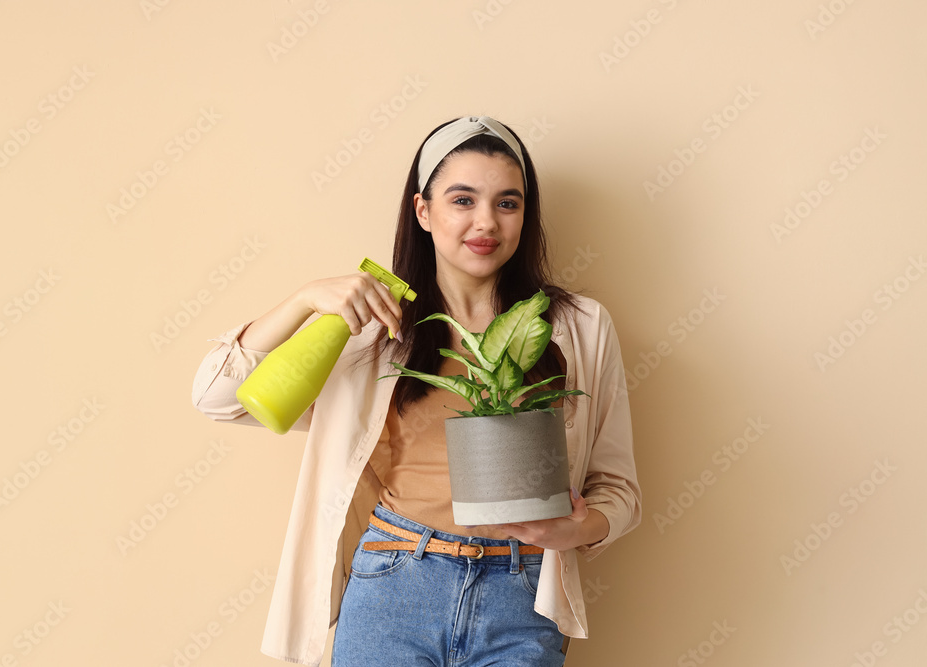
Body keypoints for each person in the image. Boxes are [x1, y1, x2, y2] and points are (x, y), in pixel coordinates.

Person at [191, 115, 641, 666]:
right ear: (423, 210)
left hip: (522, 596)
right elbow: (218, 396)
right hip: (396, 581)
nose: (486, 222)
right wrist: (305, 300)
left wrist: (575, 529)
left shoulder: (580, 327)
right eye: (462, 200)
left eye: (507, 203)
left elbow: (618, 489)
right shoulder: (373, 329)